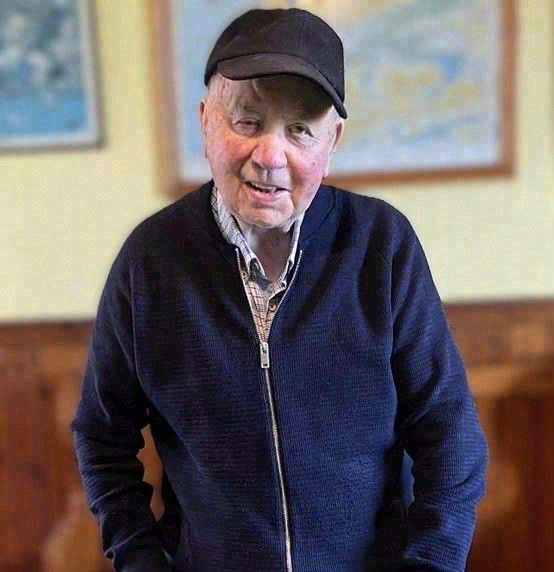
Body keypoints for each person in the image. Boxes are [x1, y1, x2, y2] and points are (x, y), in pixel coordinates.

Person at [72, 8, 487, 572]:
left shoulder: (381, 245)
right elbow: (102, 436)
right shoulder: (150, 262)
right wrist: (139, 558)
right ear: (205, 121)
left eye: (300, 130)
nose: (270, 156)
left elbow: (450, 431)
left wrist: (432, 561)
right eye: (247, 122)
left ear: (332, 141)